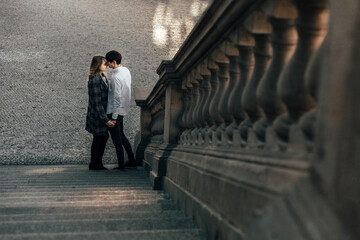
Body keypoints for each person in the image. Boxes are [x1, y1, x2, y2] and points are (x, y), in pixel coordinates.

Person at [105, 50, 137, 170]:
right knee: (122, 137)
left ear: (113, 62)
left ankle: (121, 165)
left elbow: (116, 98)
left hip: (114, 111)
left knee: (117, 140)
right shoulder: (126, 70)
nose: (107, 65)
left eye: (108, 63)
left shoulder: (116, 77)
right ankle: (132, 160)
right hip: (123, 110)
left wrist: (113, 117)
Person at [85, 56, 115, 170]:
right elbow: (97, 103)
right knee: (99, 137)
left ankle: (97, 163)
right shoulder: (96, 79)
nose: (106, 65)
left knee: (102, 137)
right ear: (97, 65)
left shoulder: (102, 77)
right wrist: (106, 120)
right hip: (97, 115)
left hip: (101, 114)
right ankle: (94, 164)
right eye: (104, 64)